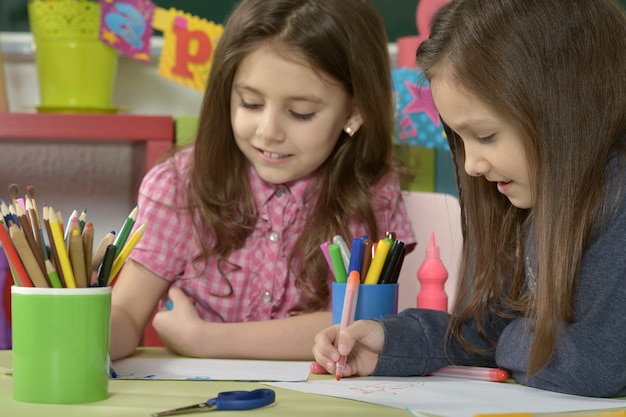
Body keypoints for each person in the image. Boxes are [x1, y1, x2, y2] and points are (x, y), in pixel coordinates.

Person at [313, 0, 626, 398]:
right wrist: (391, 340)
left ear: (567, 105)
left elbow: (592, 365)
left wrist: (511, 339)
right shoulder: (534, 198)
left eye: (486, 136)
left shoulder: (616, 199)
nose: (473, 164)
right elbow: (489, 329)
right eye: (461, 140)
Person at [110, 0, 416, 361]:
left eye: (301, 113)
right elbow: (126, 314)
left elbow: (365, 327)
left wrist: (204, 340)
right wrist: (65, 328)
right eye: (251, 104)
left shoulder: (371, 189)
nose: (268, 132)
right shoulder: (180, 185)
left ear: (354, 111)